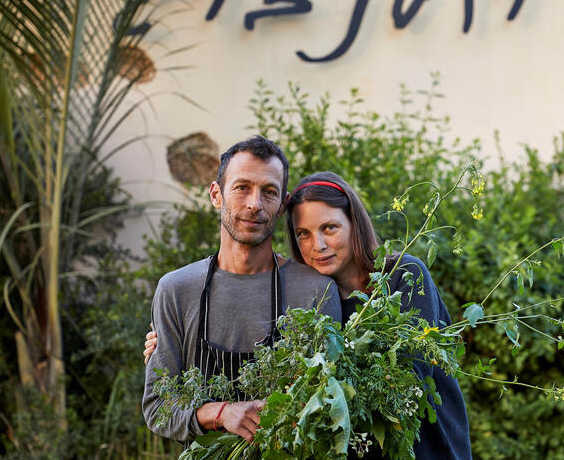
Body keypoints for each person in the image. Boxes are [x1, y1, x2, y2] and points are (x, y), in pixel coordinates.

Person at [146, 170, 473, 460]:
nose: (317, 245)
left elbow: (407, 372)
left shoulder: (401, 275)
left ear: (354, 224)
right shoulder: (312, 299)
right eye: (303, 233)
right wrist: (170, 348)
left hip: (427, 444)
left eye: (329, 228)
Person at [142, 136, 343, 443]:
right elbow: (158, 408)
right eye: (242, 187)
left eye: (269, 192)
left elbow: (328, 407)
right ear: (216, 195)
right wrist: (220, 413)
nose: (254, 204)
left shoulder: (317, 291)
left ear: (282, 205)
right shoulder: (176, 290)